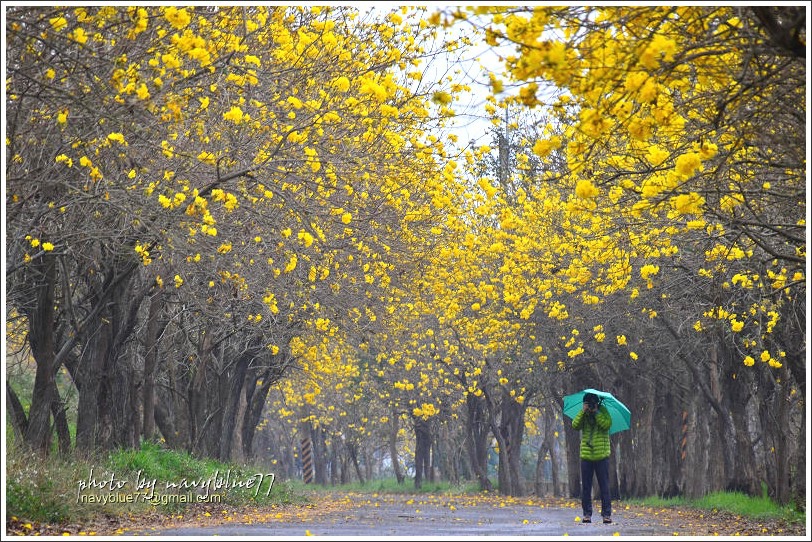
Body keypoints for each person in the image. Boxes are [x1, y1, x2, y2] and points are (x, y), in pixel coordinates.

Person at [572, 392, 612, 524]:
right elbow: (575, 425)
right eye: (588, 403)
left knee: (604, 486)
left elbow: (607, 425)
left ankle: (606, 514)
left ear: (597, 403)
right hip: (587, 456)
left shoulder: (603, 411)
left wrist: (596, 413)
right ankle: (586, 514)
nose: (591, 405)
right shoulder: (583, 414)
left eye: (592, 403)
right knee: (586, 487)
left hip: (602, 455)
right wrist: (583, 412)